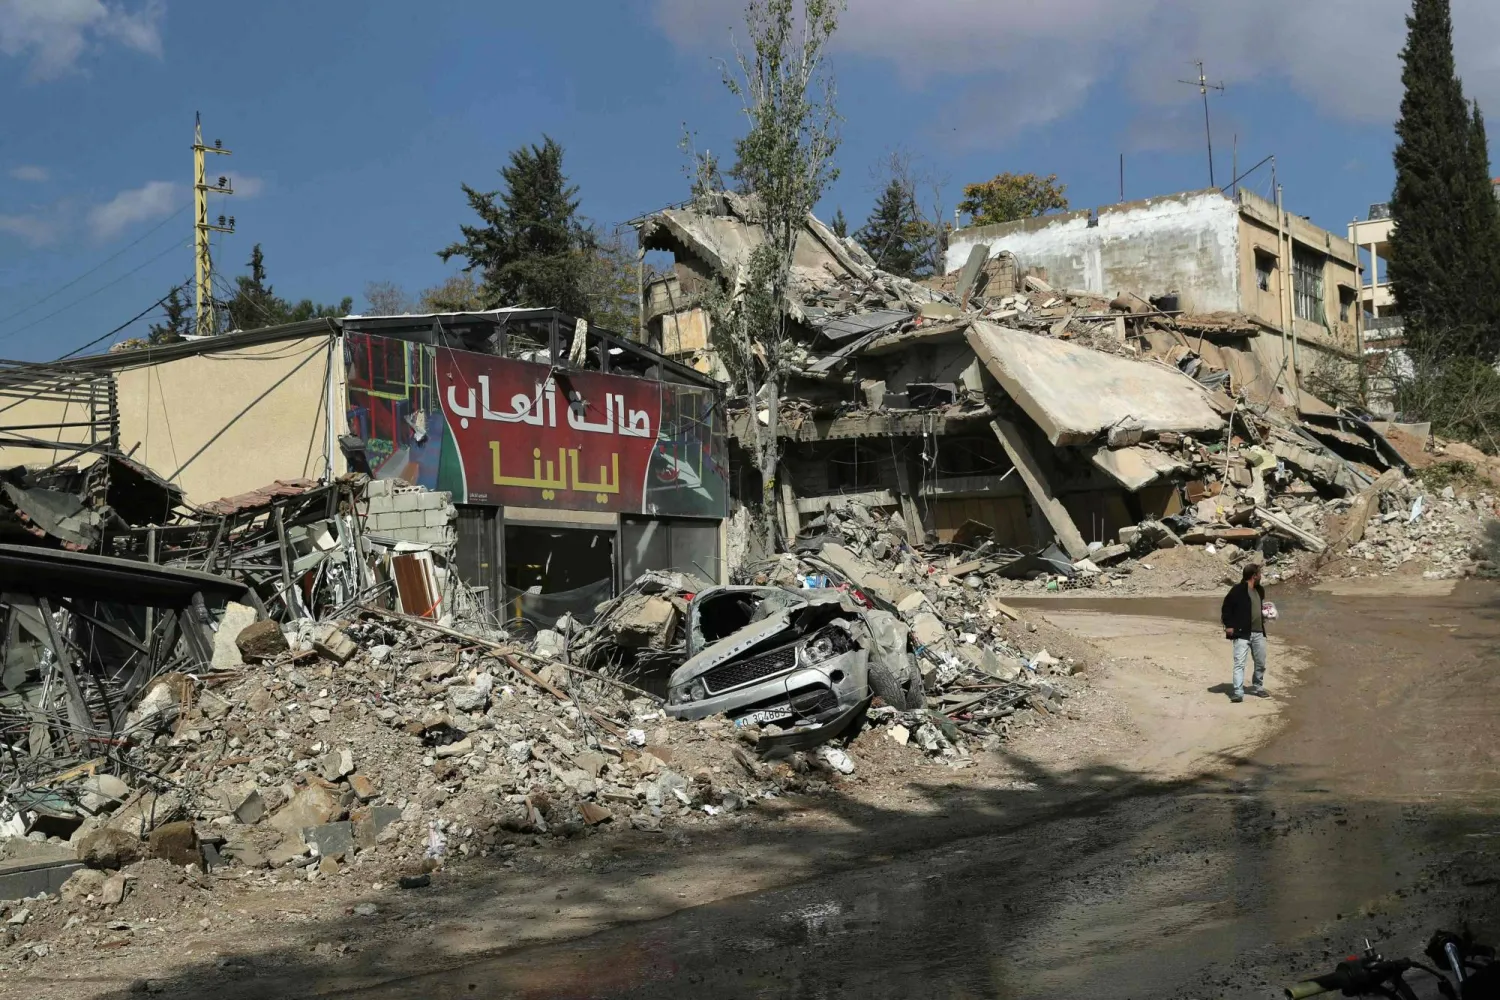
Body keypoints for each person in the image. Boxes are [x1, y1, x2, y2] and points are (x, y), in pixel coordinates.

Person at [1220, 563, 1269, 703]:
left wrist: (1266, 614)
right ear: (1254, 575)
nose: (1261, 576)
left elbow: (1258, 608)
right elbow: (1226, 608)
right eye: (1260, 573)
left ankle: (1258, 687)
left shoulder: (1260, 590)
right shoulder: (1237, 590)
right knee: (1239, 663)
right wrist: (1229, 625)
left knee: (1260, 663)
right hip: (1242, 633)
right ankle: (1238, 692)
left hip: (1259, 632)